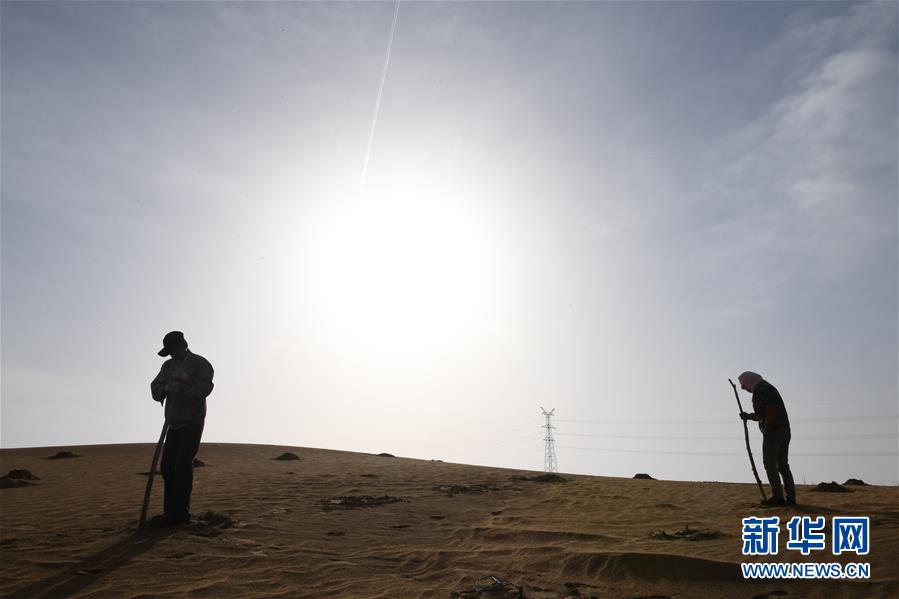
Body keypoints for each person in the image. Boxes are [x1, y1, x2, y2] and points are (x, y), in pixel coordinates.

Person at [150, 331, 214, 524]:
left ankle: (181, 515)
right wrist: (165, 389)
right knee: (168, 467)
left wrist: (186, 383)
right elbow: (155, 386)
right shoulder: (168, 366)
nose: (170, 355)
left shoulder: (201, 364)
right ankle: (170, 512)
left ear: (181, 346)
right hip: (173, 422)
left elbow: (204, 390)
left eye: (172, 350)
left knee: (183, 466)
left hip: (192, 422)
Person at [738, 371, 796, 506]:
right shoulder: (766, 387)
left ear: (749, 381)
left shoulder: (761, 389)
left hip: (774, 431)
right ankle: (790, 498)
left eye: (743, 384)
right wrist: (749, 416)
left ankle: (778, 497)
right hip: (784, 430)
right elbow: (762, 414)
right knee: (782, 465)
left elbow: (771, 409)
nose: (742, 388)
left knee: (770, 464)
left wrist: (768, 429)